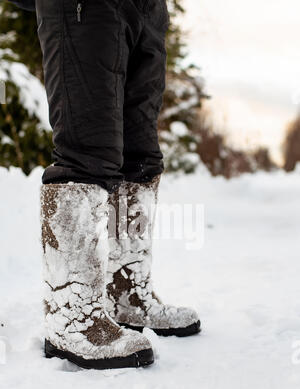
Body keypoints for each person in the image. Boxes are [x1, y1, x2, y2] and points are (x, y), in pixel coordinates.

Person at [10, 0, 201, 370]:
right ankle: (71, 316)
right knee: (87, 150)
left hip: (144, 8)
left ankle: (125, 291)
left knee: (140, 155)